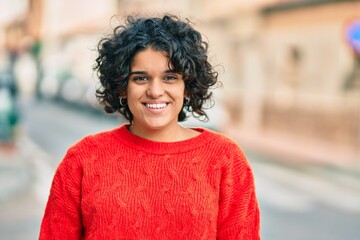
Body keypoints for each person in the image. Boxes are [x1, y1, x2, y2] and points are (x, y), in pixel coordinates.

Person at [39, 14, 260, 239]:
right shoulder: (82, 159)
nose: (155, 91)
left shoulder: (225, 159)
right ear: (122, 86)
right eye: (141, 78)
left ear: (188, 86)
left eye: (170, 77)